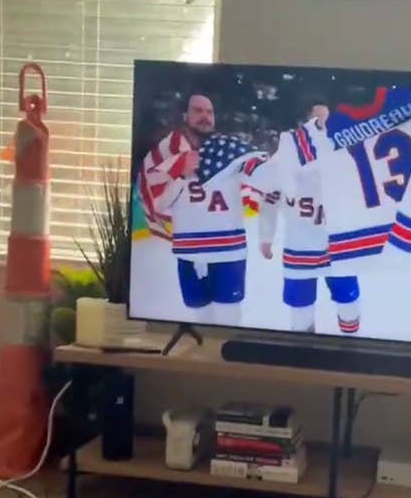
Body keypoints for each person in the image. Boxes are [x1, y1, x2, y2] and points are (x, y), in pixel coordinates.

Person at [138, 91, 267, 326]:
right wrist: (179, 174)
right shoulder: (168, 153)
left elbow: (262, 178)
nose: (205, 116)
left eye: (209, 112)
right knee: (199, 323)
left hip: (228, 251)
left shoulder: (231, 151)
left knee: (228, 321)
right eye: (198, 111)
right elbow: (159, 204)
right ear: (185, 115)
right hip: (189, 252)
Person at [256, 98, 361, 335]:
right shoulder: (286, 153)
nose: (322, 124)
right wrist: (266, 236)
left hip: (338, 246)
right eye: (316, 118)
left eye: (326, 119)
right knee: (301, 312)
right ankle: (304, 349)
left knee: (349, 305)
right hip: (300, 247)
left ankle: (351, 347)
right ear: (305, 121)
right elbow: (270, 197)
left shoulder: (344, 149)